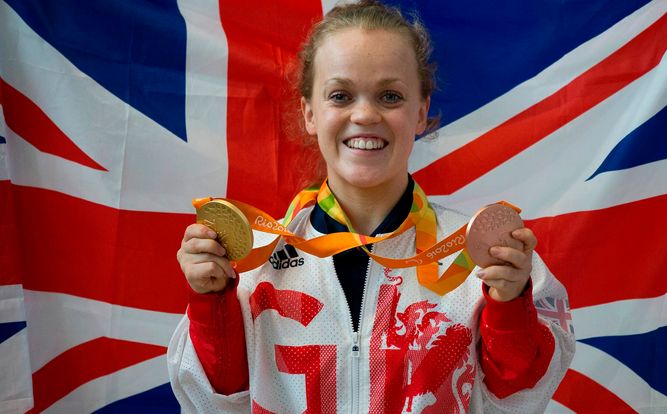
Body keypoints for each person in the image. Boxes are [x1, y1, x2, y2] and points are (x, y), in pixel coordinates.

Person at [167, 1, 574, 412]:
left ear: (421, 112)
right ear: (310, 112)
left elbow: (517, 395)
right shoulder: (254, 261)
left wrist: (509, 305)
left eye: (390, 96)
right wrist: (209, 304)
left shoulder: (477, 258)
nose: (364, 114)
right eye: (341, 95)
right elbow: (219, 400)